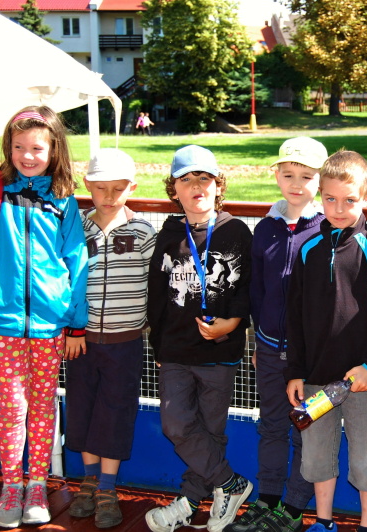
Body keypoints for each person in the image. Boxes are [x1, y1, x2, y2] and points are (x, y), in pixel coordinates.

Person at [0, 105, 88, 528]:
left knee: (43, 406)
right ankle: (12, 485)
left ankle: (37, 485)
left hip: (50, 323)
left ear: (54, 149)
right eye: (19, 146)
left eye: (37, 148)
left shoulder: (63, 199)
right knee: (12, 406)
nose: (28, 155)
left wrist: (75, 319)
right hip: (2, 321)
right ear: (8, 148)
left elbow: (77, 260)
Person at [285, 150, 367, 532]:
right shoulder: (307, 249)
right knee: (317, 458)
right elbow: (295, 318)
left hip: (364, 382)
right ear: (320, 196)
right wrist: (295, 371)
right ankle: (324, 522)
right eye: (330, 199)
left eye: (349, 200)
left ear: (366, 198)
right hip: (317, 380)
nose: (338, 209)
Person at [146, 145, 253, 532]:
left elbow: (247, 288)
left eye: (204, 178)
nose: (196, 186)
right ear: (173, 189)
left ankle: (190, 502)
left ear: (218, 185)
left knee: (211, 432)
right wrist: (158, 344)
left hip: (219, 352)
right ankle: (231, 483)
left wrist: (233, 323)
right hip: (175, 352)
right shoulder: (169, 234)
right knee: (176, 425)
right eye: (186, 179)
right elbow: (156, 295)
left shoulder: (235, 231)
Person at [227, 137, 327, 532]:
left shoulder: (327, 229)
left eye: (306, 176)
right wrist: (257, 341)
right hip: (269, 349)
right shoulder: (266, 228)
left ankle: (294, 506)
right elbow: (256, 290)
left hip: (311, 357)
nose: (296, 184)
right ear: (276, 176)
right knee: (270, 425)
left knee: (306, 431)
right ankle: (267, 498)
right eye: (288, 175)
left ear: (321, 180)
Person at [65, 148, 157, 528]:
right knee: (82, 408)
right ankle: (88, 479)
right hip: (80, 341)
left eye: (118, 188)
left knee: (116, 412)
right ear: (87, 185)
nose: (108, 196)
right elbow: (65, 282)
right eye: (100, 187)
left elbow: (156, 288)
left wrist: (156, 334)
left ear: (131, 187)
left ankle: (107, 486)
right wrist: (71, 329)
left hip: (125, 342)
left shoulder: (144, 233)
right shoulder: (75, 229)